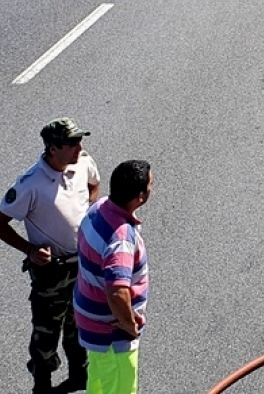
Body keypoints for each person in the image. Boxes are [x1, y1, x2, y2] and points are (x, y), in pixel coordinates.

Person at [0, 118, 101, 394]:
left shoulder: (82, 162)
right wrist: (29, 250)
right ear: (52, 148)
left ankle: (79, 376)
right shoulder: (31, 184)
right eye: (72, 143)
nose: (79, 147)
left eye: (79, 141)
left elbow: (94, 184)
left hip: (83, 264)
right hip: (53, 272)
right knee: (46, 334)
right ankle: (42, 384)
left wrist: (91, 212)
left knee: (80, 325)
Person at [75, 160, 153, 394]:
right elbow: (118, 292)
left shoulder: (98, 209)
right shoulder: (120, 238)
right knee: (120, 387)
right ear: (139, 196)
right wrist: (130, 325)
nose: (153, 188)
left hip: (92, 325)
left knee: (99, 381)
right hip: (112, 334)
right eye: (151, 185)